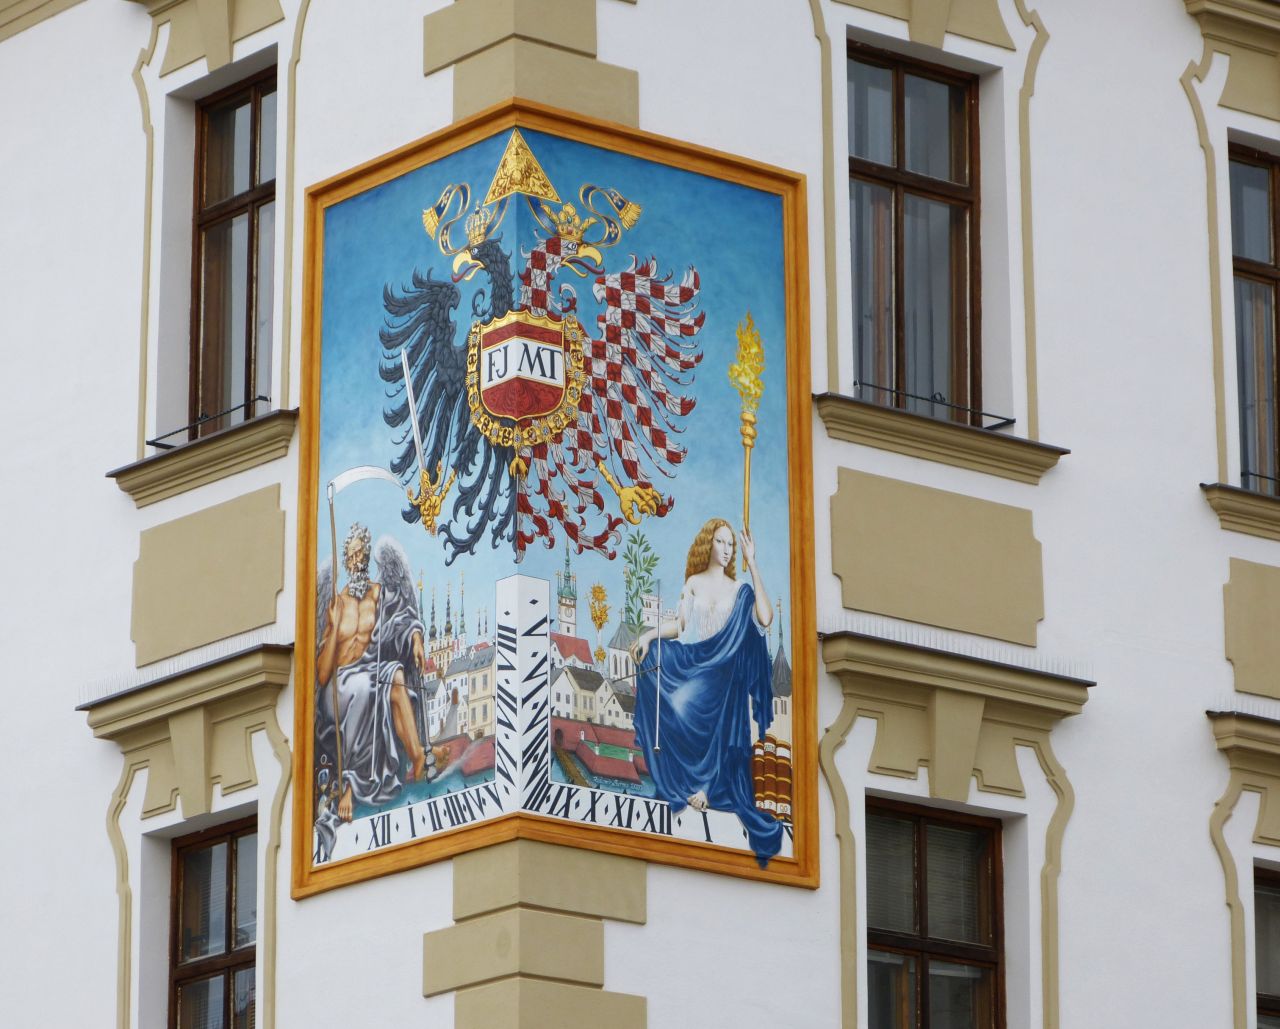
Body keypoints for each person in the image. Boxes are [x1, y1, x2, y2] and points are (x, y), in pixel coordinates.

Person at [630, 518, 783, 866]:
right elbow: (682, 626)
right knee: (654, 661)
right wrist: (648, 636)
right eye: (721, 542)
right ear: (708, 544)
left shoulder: (741, 590)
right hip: (697, 661)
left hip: (726, 671)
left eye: (731, 544)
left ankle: (708, 787)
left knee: (727, 691)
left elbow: (765, 618)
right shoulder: (694, 583)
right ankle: (684, 779)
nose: (727, 549)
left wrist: (753, 562)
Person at [316, 525, 432, 822]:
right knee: (365, 687)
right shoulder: (336, 604)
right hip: (338, 687)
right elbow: (322, 674)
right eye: (351, 556)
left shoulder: (379, 595)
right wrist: (333, 628)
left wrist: (416, 639)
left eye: (360, 554)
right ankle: (350, 786)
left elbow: (404, 618)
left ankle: (418, 756)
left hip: (369, 672)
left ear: (367, 556)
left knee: (395, 676)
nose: (356, 561)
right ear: (346, 560)